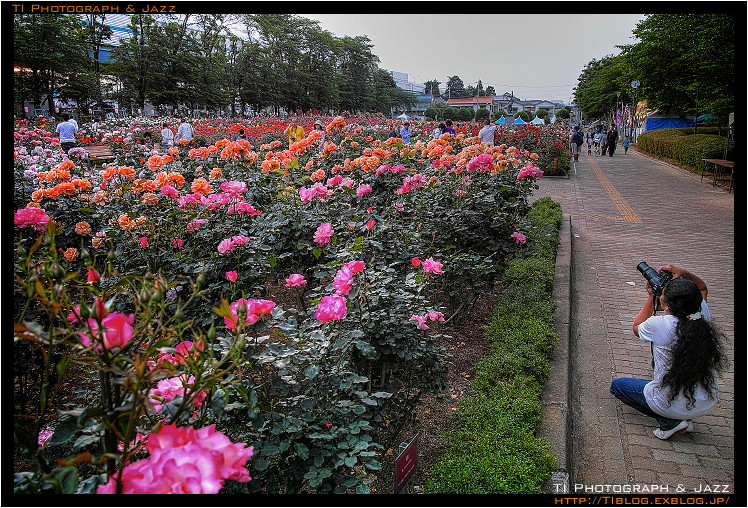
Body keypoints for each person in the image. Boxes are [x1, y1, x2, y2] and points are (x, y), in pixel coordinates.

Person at [610, 265, 727, 440]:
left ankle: (670, 423)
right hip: (706, 402)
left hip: (669, 403)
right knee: (663, 362)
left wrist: (651, 296)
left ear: (665, 305)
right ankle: (682, 415)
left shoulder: (659, 324)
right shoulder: (701, 314)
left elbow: (637, 327)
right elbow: (702, 287)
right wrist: (684, 273)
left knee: (618, 386)